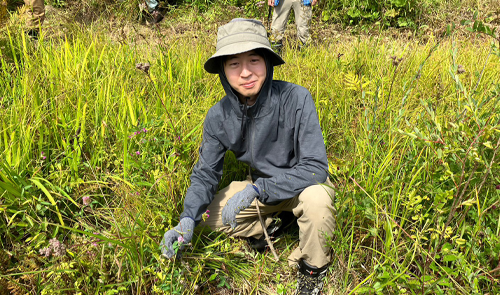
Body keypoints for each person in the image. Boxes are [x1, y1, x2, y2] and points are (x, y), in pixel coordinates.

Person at [160, 18, 335, 294]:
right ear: (222, 71)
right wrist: (187, 219)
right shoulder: (218, 117)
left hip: (299, 185)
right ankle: (274, 224)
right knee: (203, 222)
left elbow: (315, 167)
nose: (245, 73)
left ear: (267, 61)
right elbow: (206, 174)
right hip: (258, 190)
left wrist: (259, 188)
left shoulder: (297, 98)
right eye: (234, 64)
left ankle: (312, 269)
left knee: (318, 200)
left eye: (254, 60)